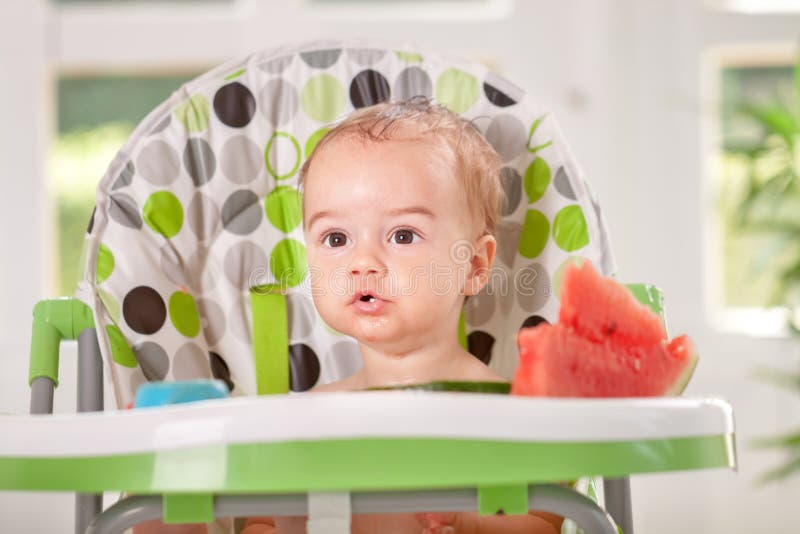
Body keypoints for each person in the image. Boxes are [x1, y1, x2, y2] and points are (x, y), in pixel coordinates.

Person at [244, 97, 563, 533]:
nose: (363, 262)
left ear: (474, 265)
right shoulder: (304, 422)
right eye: (336, 238)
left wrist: (471, 526)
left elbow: (545, 524)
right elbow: (260, 523)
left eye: (403, 235)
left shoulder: (515, 418)